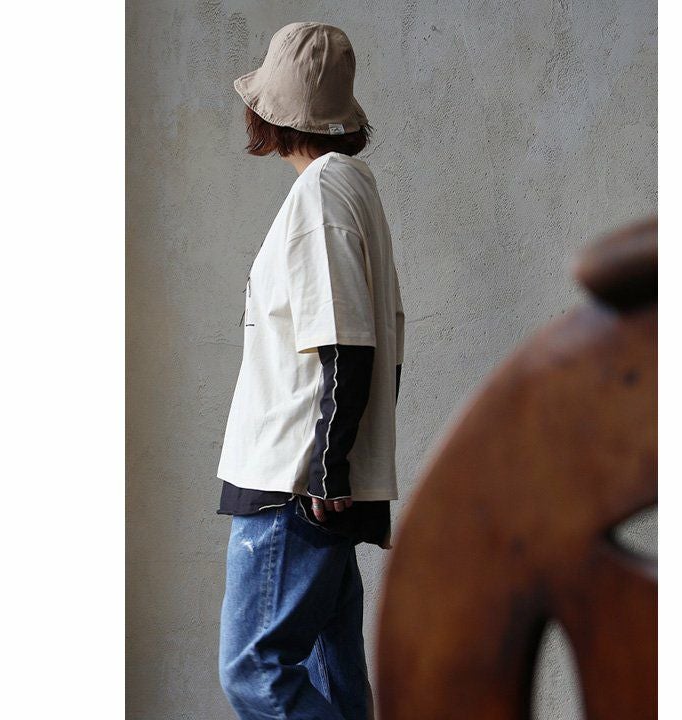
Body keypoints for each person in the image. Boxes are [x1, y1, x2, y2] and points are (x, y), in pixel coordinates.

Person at [216, 21, 405, 719]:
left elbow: (345, 342)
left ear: (272, 112)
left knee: (255, 671)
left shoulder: (323, 192)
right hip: (314, 480)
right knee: (334, 679)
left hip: (291, 484)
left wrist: (328, 470)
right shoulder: (349, 185)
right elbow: (369, 340)